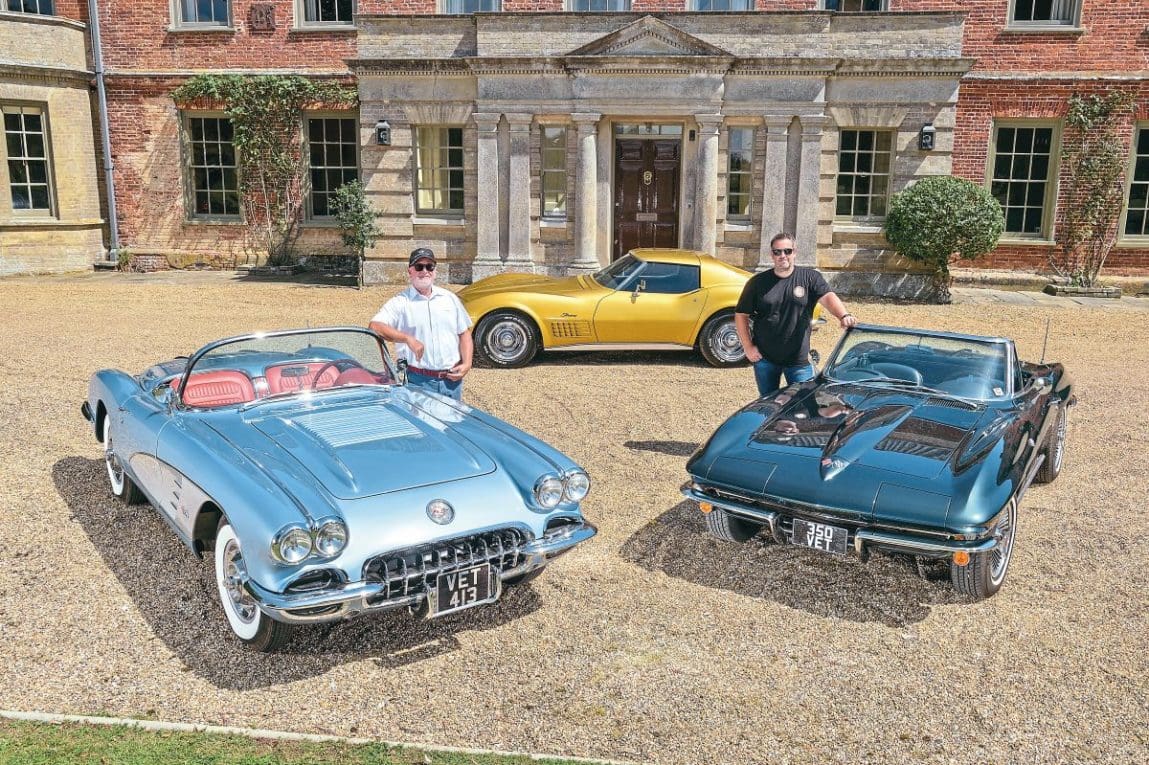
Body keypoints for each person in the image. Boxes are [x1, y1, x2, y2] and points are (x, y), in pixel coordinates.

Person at [735, 232, 858, 397]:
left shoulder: (810, 278)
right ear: (771, 254)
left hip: (799, 360)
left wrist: (843, 315)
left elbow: (828, 298)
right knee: (768, 405)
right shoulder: (758, 282)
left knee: (803, 404)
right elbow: (741, 314)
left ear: (795, 252)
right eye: (777, 252)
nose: (782, 256)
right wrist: (748, 347)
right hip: (765, 359)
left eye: (787, 251)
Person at [369, 247, 473, 401]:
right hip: (419, 382)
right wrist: (407, 339)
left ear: (435, 271)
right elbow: (375, 326)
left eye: (429, 266)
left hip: (452, 382)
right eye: (419, 267)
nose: (425, 271)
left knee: (451, 424)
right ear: (410, 271)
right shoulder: (401, 302)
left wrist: (467, 363)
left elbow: (464, 333)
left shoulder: (450, 299)